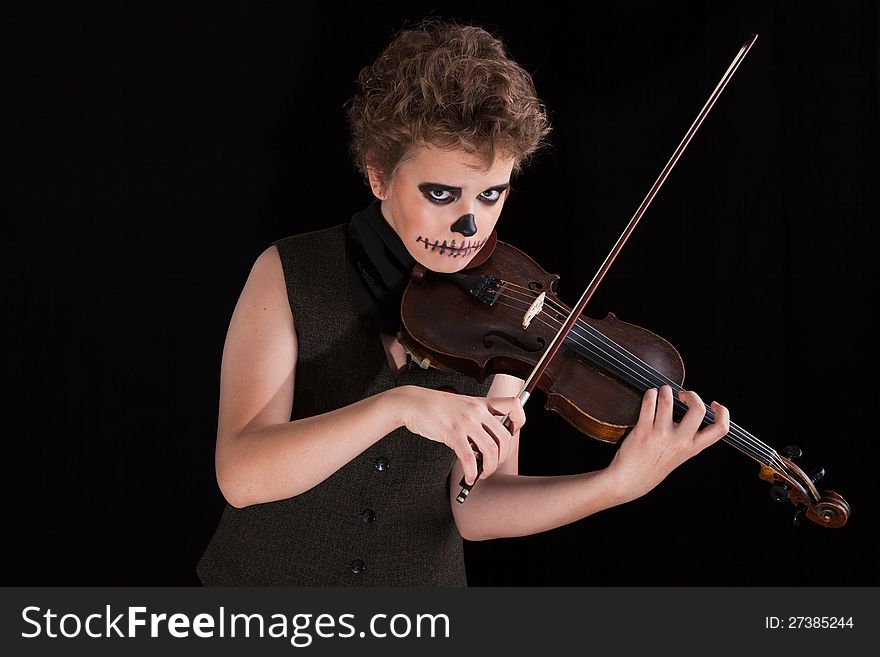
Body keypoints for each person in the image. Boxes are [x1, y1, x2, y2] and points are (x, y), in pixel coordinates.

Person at [196, 17, 730, 586]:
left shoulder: (515, 307)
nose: (469, 224)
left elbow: (475, 507)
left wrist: (611, 487)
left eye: (492, 193)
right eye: (441, 193)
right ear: (379, 175)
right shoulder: (290, 273)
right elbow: (242, 473)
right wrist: (395, 407)